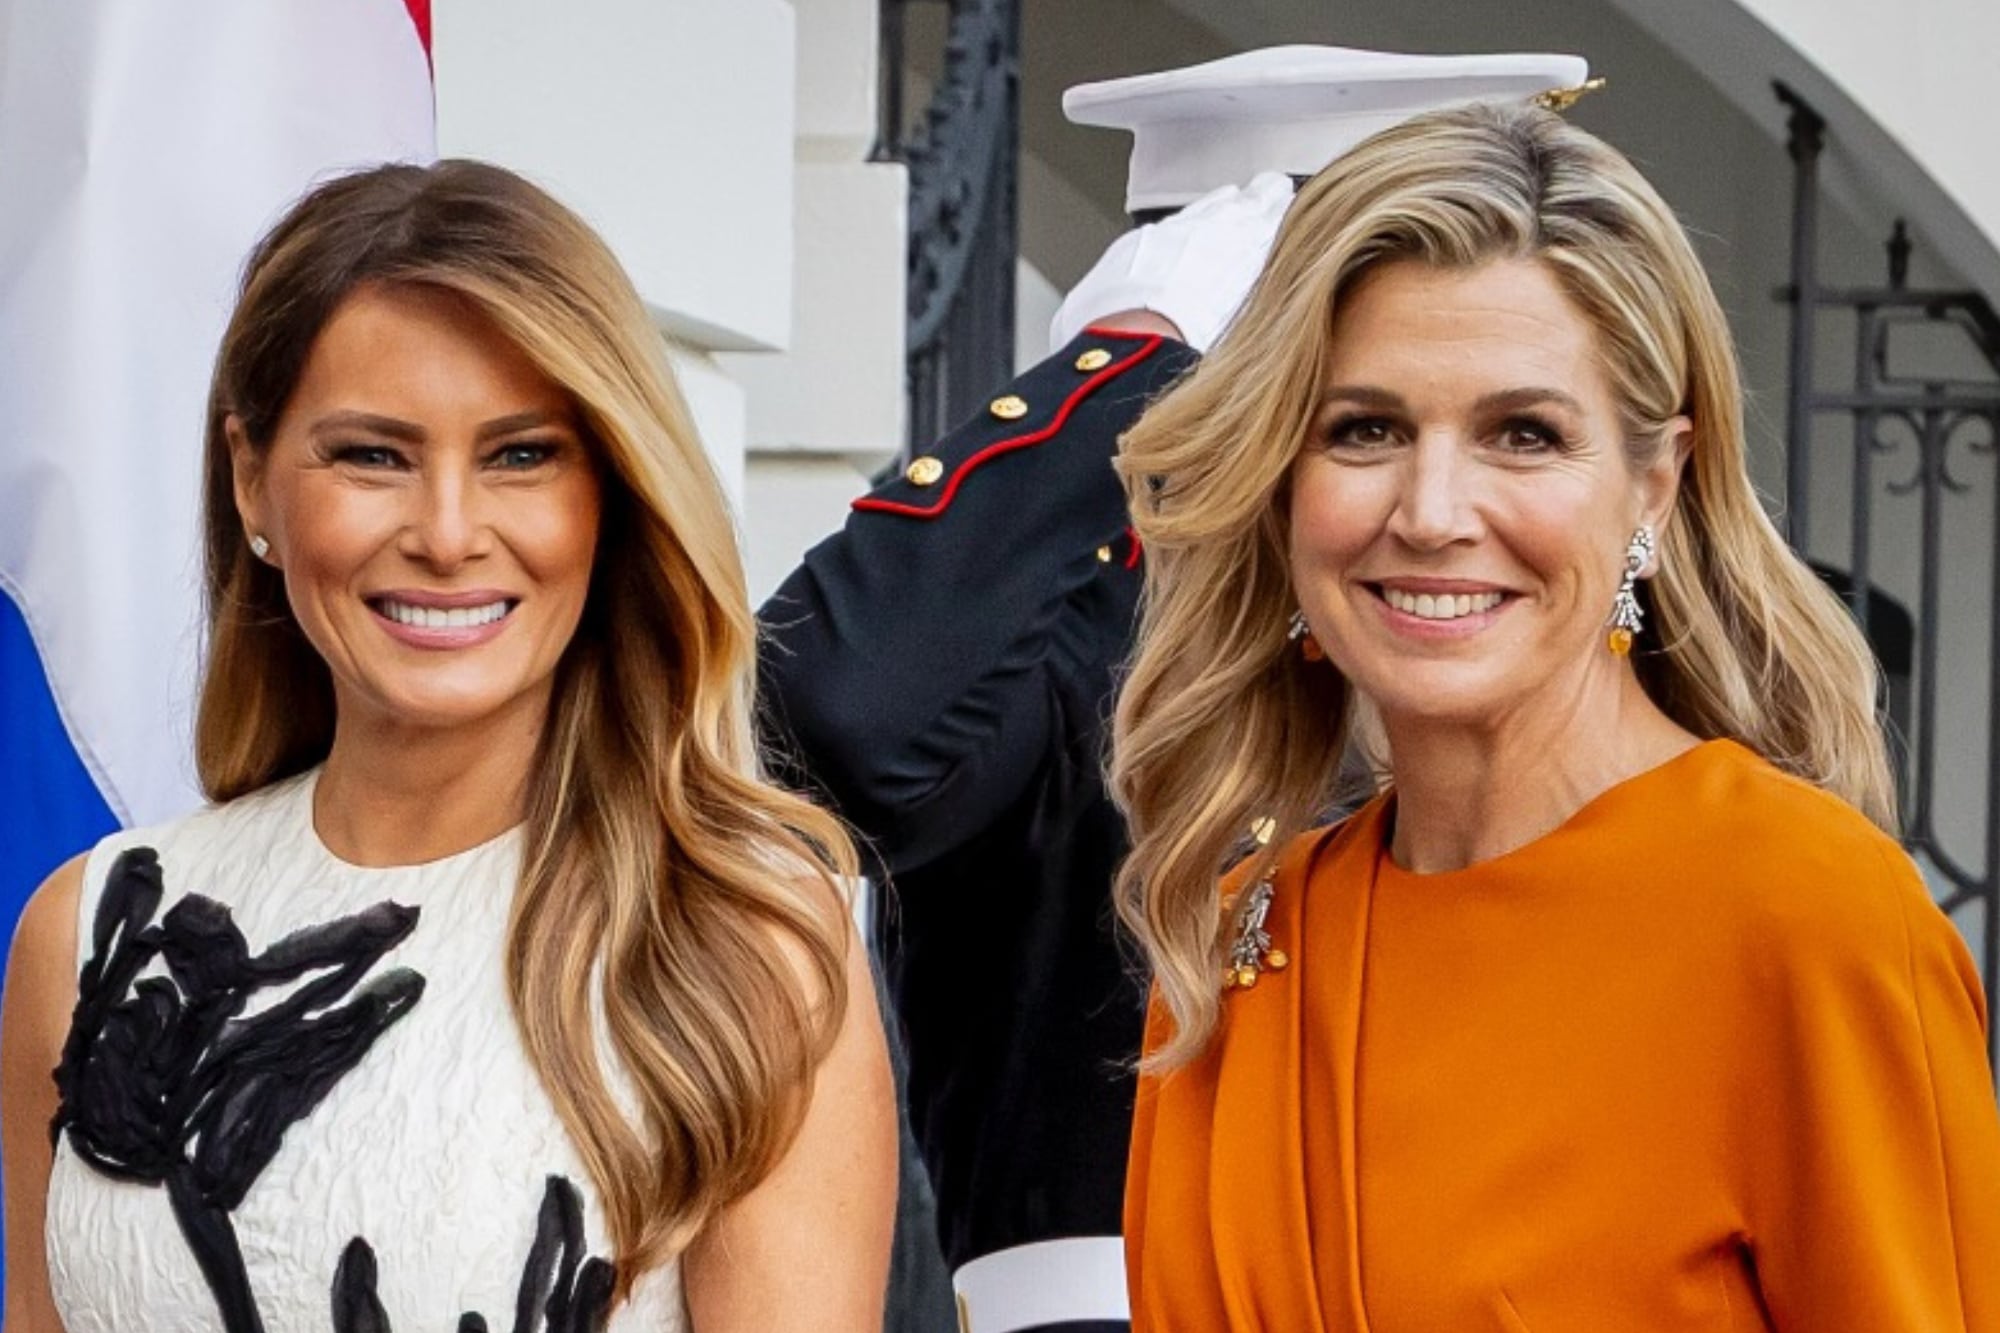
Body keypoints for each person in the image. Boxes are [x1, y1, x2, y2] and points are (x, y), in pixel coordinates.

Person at [1113, 101, 2000, 1329]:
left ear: (1653, 484)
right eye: (1363, 429)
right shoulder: (1233, 945)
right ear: (1280, 480)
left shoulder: (1805, 918)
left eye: (1521, 435)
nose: (1430, 511)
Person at [758, 44, 1589, 1333]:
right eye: (1362, 409)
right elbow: (829, 719)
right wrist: (1128, 364)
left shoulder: (1558, 638)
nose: (1429, 497)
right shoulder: (1076, 638)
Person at [1, 160, 896, 1333]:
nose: (447, 532)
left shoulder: (741, 949)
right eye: (372, 454)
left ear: (610, 492)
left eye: (521, 454)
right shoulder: (92, 933)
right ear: (252, 479)